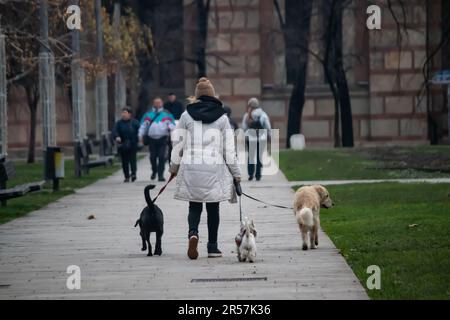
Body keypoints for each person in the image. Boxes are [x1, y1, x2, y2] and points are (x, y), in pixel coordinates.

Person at [169, 77, 241, 260]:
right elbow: (229, 150)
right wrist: (236, 175)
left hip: (191, 167)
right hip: (213, 168)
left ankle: (193, 233)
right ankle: (212, 247)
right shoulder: (223, 118)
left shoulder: (186, 116)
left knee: (194, 205)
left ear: (197, 96)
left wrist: (174, 168)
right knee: (213, 208)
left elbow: (178, 144)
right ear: (213, 95)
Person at [139, 97, 176, 182]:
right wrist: (140, 136)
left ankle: (160, 175)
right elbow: (143, 126)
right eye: (156, 103)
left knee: (162, 157)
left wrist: (170, 127)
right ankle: (154, 171)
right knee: (152, 157)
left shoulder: (167, 113)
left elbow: (173, 124)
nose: (158, 104)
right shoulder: (148, 114)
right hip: (151, 139)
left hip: (163, 138)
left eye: (159, 103)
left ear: (162, 103)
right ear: (153, 104)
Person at [242, 98, 271, 181]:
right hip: (261, 138)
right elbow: (267, 126)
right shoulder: (263, 114)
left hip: (251, 138)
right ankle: (258, 175)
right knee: (259, 156)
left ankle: (250, 174)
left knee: (251, 156)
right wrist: (269, 135)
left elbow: (244, 127)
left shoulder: (247, 115)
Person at [112, 107, 140, 183]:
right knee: (124, 161)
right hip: (123, 144)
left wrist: (139, 138)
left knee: (133, 160)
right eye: (123, 113)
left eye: (125, 113)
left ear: (129, 114)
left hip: (133, 144)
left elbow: (139, 131)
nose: (123, 114)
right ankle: (126, 176)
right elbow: (114, 131)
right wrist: (117, 136)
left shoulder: (135, 122)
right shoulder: (119, 123)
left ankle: (133, 174)